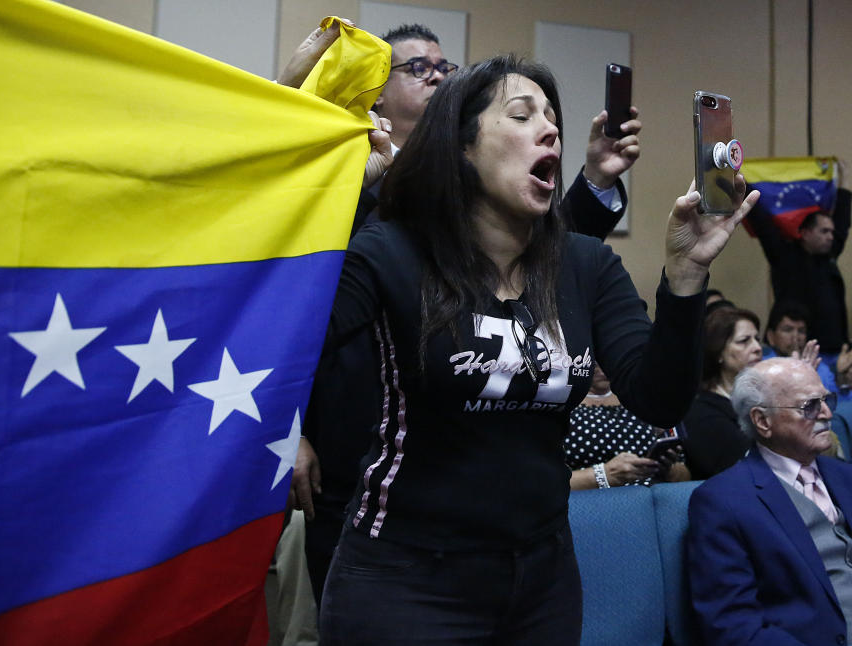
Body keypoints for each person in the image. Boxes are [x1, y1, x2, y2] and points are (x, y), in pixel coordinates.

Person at [316, 54, 757, 644]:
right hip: (406, 574)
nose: (551, 129)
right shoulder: (392, 251)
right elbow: (299, 336)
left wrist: (684, 275)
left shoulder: (585, 264)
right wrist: (343, 199)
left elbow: (656, 397)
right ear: (462, 147)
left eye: (553, 119)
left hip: (542, 575)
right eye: (522, 116)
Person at [281, 20, 644, 607]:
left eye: (443, 69)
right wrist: (287, 429)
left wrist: (594, 180)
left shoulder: (491, 196)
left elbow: (538, 259)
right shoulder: (350, 170)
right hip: (361, 465)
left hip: (507, 513)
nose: (436, 77)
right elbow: (292, 309)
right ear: (376, 93)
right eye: (416, 68)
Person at [687, 357, 852, 645]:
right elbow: (733, 626)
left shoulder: (845, 476)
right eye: (809, 406)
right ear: (763, 421)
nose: (826, 413)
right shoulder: (722, 502)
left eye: (827, 400)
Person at [747, 173, 851, 366]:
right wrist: (741, 183)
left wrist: (844, 186)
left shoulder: (828, 255)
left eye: (831, 232)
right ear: (804, 233)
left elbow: (843, 224)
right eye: (824, 231)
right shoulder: (784, 256)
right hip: (797, 352)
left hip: (835, 351)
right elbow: (762, 222)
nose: (831, 236)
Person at [566, 362, 690, 488]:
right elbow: (550, 484)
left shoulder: (642, 400)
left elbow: (685, 477)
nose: (602, 369)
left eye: (605, 360)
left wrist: (667, 468)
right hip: (592, 498)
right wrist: (604, 475)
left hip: (654, 492)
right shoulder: (564, 405)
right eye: (594, 363)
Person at [682, 307, 763, 479]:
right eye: (744, 341)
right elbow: (746, 464)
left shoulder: (765, 398)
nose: (757, 347)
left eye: (757, 339)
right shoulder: (701, 413)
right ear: (718, 351)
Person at [763, 299, 852, 404]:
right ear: (771, 337)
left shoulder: (820, 367)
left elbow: (839, 406)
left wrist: (842, 380)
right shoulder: (762, 368)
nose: (795, 337)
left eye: (801, 331)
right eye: (787, 330)